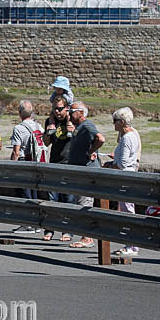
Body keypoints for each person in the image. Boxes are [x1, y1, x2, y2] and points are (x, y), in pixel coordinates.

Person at [67, 101, 106, 249]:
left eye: (72, 112)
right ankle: (85, 235)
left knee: (85, 203)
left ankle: (87, 237)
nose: (69, 115)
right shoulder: (79, 127)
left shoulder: (87, 125)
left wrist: (91, 151)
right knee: (81, 202)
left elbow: (100, 139)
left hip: (87, 172)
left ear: (80, 113)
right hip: (80, 171)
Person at [104, 107, 142, 256]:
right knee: (126, 209)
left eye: (115, 121)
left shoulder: (127, 138)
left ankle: (132, 245)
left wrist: (110, 165)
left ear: (121, 122)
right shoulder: (132, 134)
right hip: (128, 176)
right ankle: (130, 244)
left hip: (125, 178)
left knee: (127, 211)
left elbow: (123, 164)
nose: (113, 124)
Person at [42, 96, 74, 241]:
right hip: (54, 163)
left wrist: (72, 129)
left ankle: (67, 231)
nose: (57, 111)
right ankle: (49, 229)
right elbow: (46, 142)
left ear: (67, 108)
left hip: (68, 164)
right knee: (51, 199)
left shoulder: (72, 120)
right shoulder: (50, 121)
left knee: (67, 199)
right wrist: (49, 130)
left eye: (60, 108)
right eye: (55, 108)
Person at [9, 100, 42, 234]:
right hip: (36, 162)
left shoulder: (19, 128)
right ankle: (36, 222)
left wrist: (12, 166)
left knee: (23, 193)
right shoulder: (38, 126)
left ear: (19, 112)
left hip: (23, 162)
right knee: (34, 193)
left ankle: (27, 223)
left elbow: (16, 151)